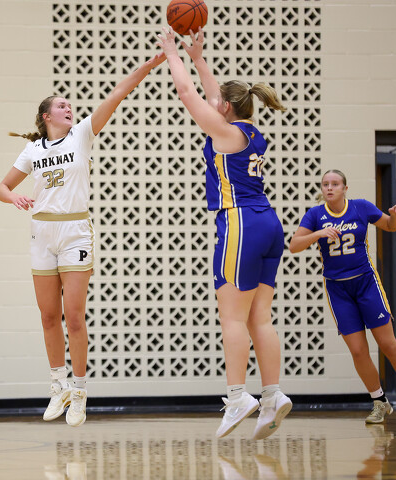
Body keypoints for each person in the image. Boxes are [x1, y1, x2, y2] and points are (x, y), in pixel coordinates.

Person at [0, 53, 165, 427]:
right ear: (46, 117)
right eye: (61, 105)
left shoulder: (82, 134)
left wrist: (148, 66)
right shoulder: (33, 150)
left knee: (73, 315)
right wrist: (14, 197)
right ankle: (58, 386)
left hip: (75, 232)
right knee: (48, 316)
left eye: (69, 104)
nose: (68, 108)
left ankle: (80, 391)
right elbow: (0, 188)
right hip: (42, 233)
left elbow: (117, 94)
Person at [157, 27, 292, 439]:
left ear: (227, 108)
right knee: (259, 318)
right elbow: (214, 95)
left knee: (231, 316)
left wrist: (172, 52)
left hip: (240, 223)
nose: (212, 101)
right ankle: (272, 394)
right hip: (268, 223)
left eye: (218, 102)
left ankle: (237, 396)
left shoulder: (226, 134)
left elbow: (187, 94)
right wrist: (199, 58)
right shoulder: (250, 132)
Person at [289, 169, 396, 423]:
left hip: (366, 283)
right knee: (358, 351)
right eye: (325, 184)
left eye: (335, 184)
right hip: (338, 290)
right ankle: (380, 402)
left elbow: (390, 226)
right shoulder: (315, 215)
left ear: (345, 188)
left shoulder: (361, 207)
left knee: (388, 344)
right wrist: (317, 234)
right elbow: (294, 246)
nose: (330, 188)